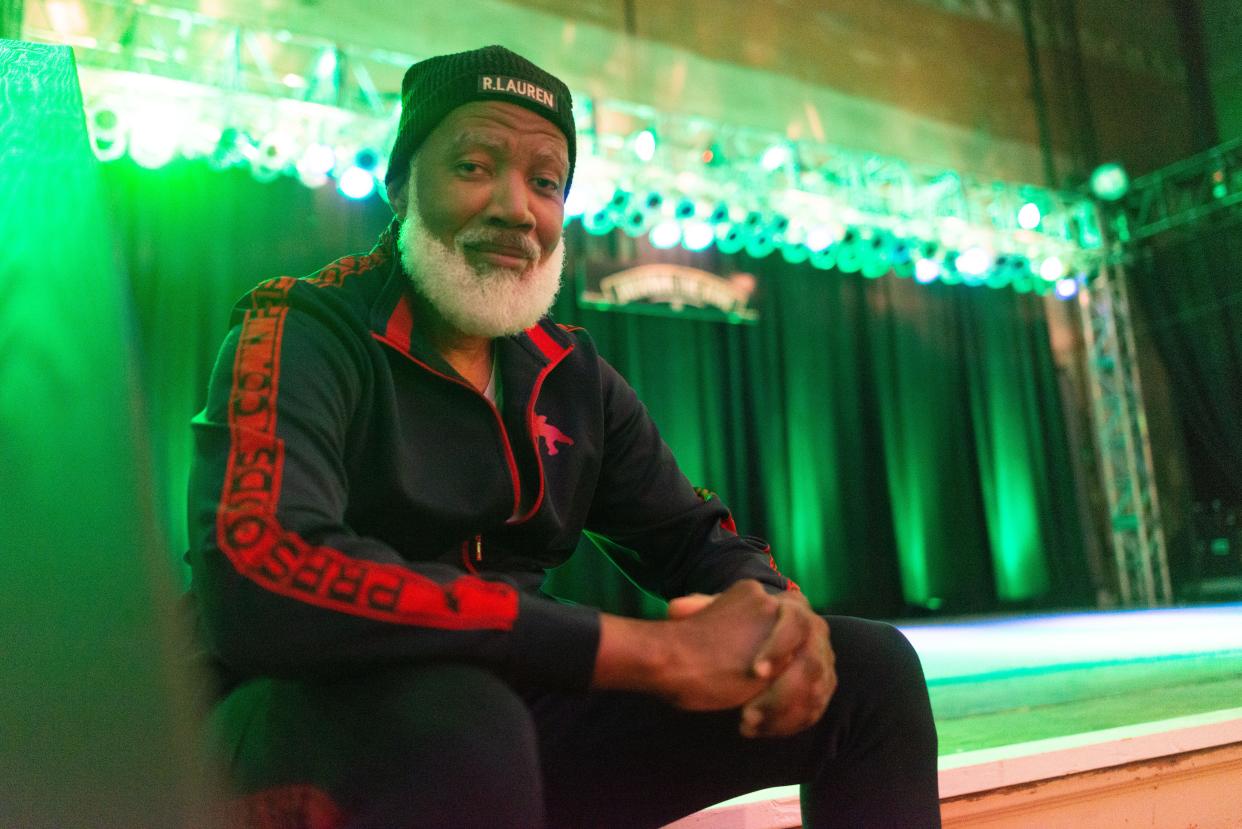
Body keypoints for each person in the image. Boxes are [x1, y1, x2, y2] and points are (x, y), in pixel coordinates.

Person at [186, 44, 940, 828]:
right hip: (293, 730)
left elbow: (692, 538)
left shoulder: (569, 374)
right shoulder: (302, 326)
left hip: (504, 726)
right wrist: (645, 652)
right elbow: (263, 568)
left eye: (546, 181)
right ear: (401, 186)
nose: (517, 208)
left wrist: (788, 623)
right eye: (475, 165)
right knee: (465, 718)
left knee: (871, 672)